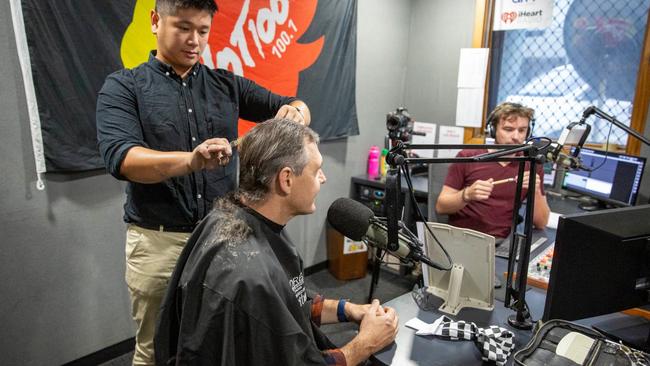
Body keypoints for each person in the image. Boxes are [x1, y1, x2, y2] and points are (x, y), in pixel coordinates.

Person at [95, 1, 310, 364]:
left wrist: (295, 112)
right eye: (183, 28)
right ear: (154, 21)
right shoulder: (123, 87)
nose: (194, 40)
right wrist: (191, 160)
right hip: (159, 243)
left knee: (222, 341)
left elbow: (293, 104)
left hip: (221, 239)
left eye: (203, 31)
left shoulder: (225, 84)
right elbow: (124, 159)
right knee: (154, 348)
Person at [155, 119, 399, 365]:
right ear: (286, 179)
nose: (323, 179)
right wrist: (367, 342)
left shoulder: (235, 218)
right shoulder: (249, 275)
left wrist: (349, 310)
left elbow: (288, 301)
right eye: (316, 171)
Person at [435, 102, 550, 241]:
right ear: (493, 130)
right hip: (463, 238)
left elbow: (541, 223)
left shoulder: (531, 165)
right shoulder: (468, 157)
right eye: (508, 129)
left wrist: (535, 191)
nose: (516, 136)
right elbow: (441, 207)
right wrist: (467, 195)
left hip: (501, 242)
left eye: (521, 130)